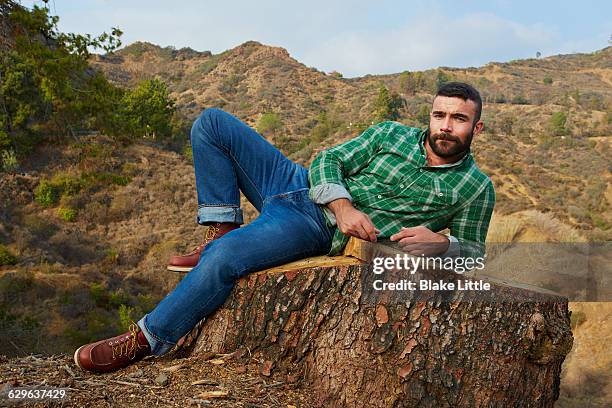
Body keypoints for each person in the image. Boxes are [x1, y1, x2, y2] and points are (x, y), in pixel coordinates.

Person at [74, 81, 495, 373]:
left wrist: (443, 242)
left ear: (476, 128)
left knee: (225, 260)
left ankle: (145, 340)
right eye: (439, 114)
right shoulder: (390, 134)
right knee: (212, 123)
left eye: (458, 119)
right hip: (297, 182)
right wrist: (344, 204)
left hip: (312, 224)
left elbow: (474, 253)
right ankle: (220, 226)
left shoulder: (476, 187)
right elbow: (330, 160)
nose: (444, 125)